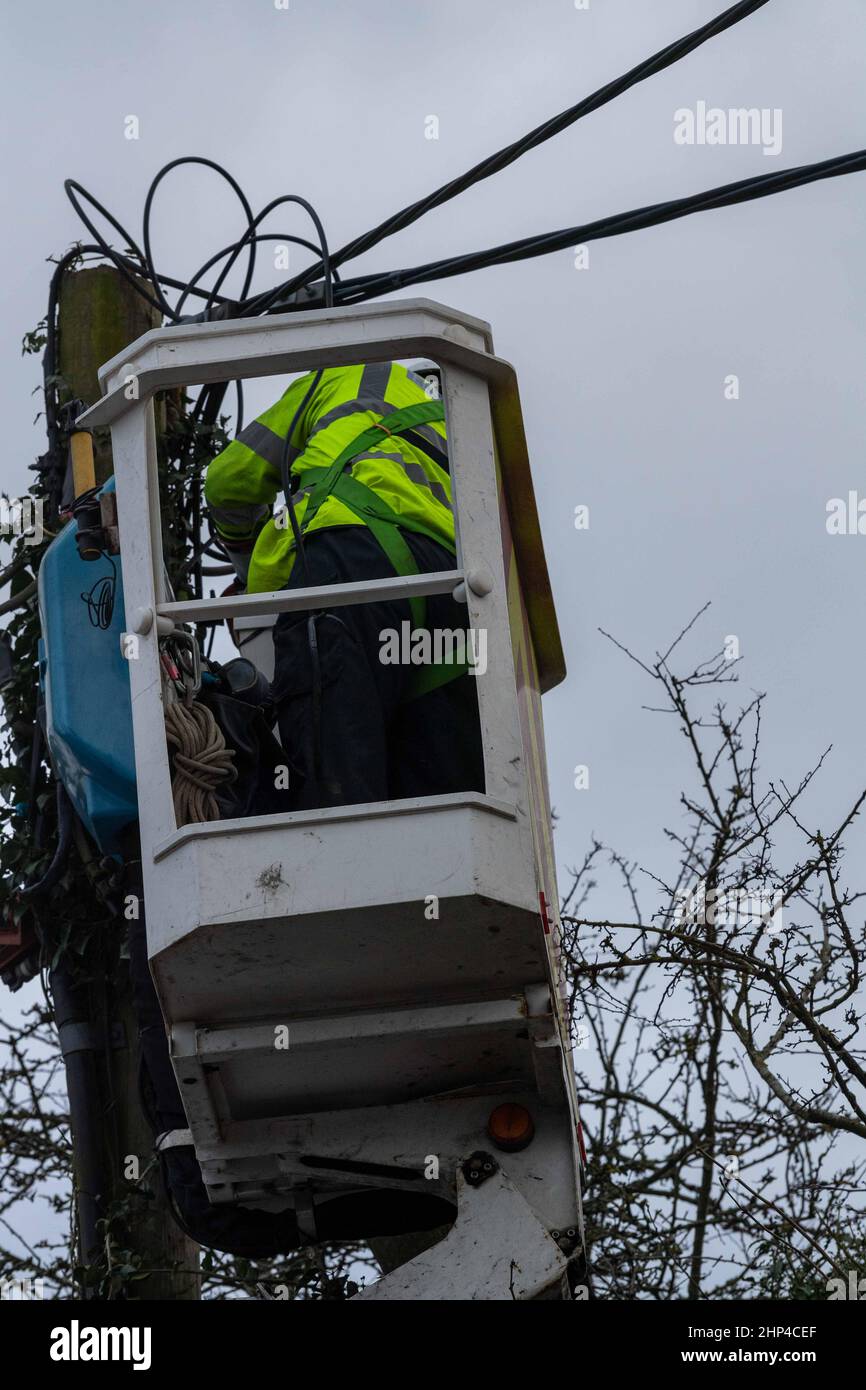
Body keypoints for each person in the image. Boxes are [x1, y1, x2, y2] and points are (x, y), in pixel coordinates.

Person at [204, 361, 484, 810]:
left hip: (354, 559)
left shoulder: (349, 371)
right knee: (440, 802)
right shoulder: (469, 417)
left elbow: (227, 482)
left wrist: (247, 572)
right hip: (455, 591)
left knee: (331, 781)